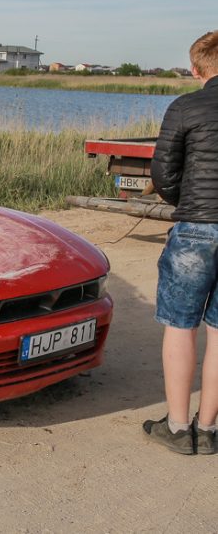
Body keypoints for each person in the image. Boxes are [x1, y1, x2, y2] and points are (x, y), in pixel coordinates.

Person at [146, 30, 218, 454]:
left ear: (195, 69)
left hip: (195, 226)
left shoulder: (184, 106)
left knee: (180, 325)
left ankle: (176, 427)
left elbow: (163, 173)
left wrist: (183, 202)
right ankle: (207, 430)